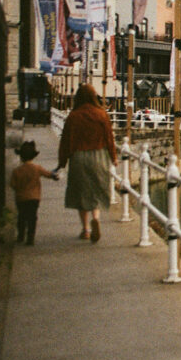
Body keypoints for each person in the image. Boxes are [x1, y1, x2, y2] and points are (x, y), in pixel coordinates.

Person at [58, 84, 116, 243]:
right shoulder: (102, 114)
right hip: (99, 155)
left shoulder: (74, 116)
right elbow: (109, 138)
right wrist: (113, 157)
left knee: (81, 192)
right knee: (96, 189)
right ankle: (96, 218)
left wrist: (62, 162)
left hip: (79, 157)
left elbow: (65, 141)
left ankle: (85, 230)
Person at [10, 140, 59, 245]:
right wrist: (55, 176)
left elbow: (12, 184)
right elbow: (48, 174)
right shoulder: (37, 168)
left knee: (21, 217)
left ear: (21, 157)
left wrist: (19, 189)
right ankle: (30, 238)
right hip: (34, 198)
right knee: (32, 217)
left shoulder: (17, 171)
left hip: (21, 198)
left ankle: (21, 235)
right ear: (33, 156)